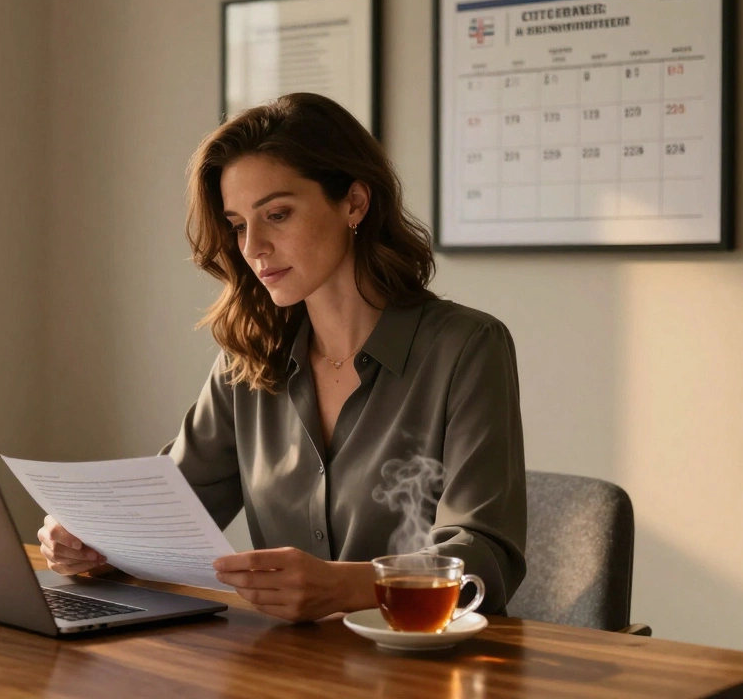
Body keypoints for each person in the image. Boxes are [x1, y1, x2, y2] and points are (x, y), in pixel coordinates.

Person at [38, 93, 526, 622]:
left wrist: (346, 586)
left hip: (423, 667)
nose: (254, 248)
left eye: (277, 214)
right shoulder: (248, 361)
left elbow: (484, 558)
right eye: (239, 224)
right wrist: (88, 540)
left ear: (354, 203)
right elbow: (167, 517)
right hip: (282, 665)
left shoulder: (466, 348)